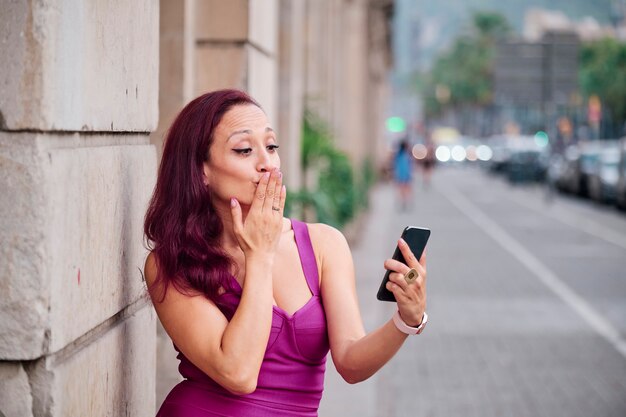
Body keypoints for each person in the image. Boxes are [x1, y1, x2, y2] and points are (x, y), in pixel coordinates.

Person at [143, 89, 428, 417]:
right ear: (201, 171)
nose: (267, 163)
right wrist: (260, 255)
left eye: (271, 146)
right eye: (244, 149)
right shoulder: (172, 262)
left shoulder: (323, 244)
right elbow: (237, 373)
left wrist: (406, 320)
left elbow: (351, 362)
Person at [393, 138, 413, 210]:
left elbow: (395, 165)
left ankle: (403, 201)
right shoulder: (406, 155)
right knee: (406, 189)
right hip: (405, 174)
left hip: (400, 175)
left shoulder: (398, 155)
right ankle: (405, 201)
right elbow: (410, 166)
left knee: (402, 189)